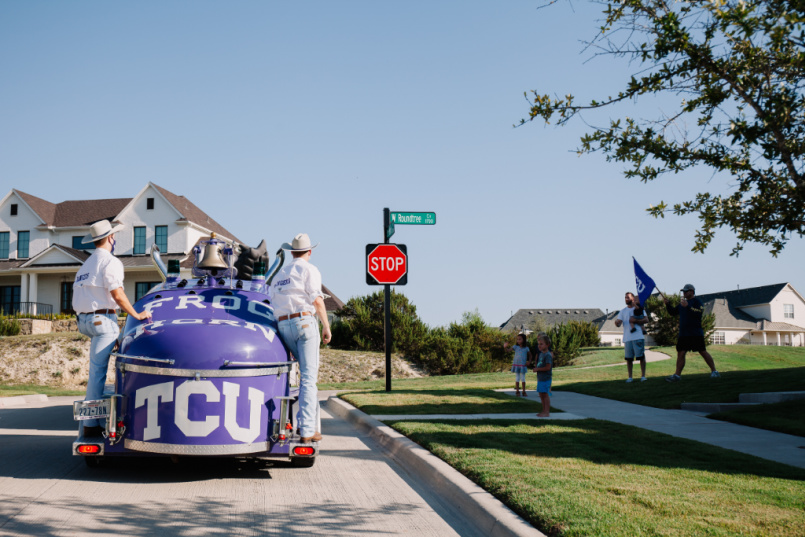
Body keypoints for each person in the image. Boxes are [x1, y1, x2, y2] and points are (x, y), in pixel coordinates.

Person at [72, 220, 152, 437]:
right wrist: (137, 314)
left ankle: (99, 415)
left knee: (98, 371)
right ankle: (90, 424)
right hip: (102, 321)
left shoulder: (85, 265)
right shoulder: (110, 261)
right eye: (113, 237)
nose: (114, 240)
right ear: (109, 238)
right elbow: (117, 294)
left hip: (85, 321)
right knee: (98, 374)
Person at [269, 233, 332, 443]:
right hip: (304, 322)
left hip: (283, 325)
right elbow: (317, 300)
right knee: (308, 378)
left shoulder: (279, 275)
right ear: (309, 252)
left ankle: (301, 424)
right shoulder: (309, 269)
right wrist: (326, 326)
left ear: (292, 251)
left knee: (300, 376)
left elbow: (272, 301)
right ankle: (306, 430)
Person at [663, 284, 720, 382]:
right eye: (683, 291)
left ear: (692, 292)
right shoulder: (682, 303)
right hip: (684, 334)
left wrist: (688, 306)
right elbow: (673, 312)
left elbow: (699, 312)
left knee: (702, 351)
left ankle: (714, 371)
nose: (684, 293)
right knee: (681, 353)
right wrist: (668, 304)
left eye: (686, 291)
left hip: (695, 333)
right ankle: (677, 375)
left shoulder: (697, 302)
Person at [614, 292, 648, 383]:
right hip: (627, 338)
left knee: (641, 357)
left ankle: (643, 376)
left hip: (638, 336)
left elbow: (646, 319)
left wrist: (635, 321)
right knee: (629, 359)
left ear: (633, 299)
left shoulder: (639, 309)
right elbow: (619, 322)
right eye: (625, 297)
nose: (626, 299)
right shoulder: (623, 311)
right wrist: (617, 323)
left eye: (628, 297)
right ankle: (630, 377)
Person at [533, 334, 553, 417]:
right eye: (538, 344)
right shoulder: (541, 354)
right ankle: (543, 410)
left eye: (541, 344)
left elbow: (548, 367)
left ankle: (546, 412)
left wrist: (538, 369)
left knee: (545, 395)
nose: (539, 346)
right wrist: (536, 368)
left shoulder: (548, 355)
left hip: (546, 379)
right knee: (541, 395)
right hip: (540, 379)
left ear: (547, 345)